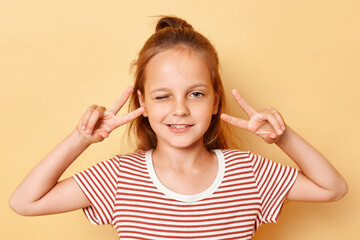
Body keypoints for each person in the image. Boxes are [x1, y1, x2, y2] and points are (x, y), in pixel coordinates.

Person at [9, 16, 348, 239]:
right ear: (143, 103)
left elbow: (333, 188)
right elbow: (25, 202)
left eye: (196, 94)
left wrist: (283, 138)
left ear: (215, 101)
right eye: (163, 96)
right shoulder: (118, 177)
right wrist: (81, 139)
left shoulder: (248, 172)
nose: (180, 109)